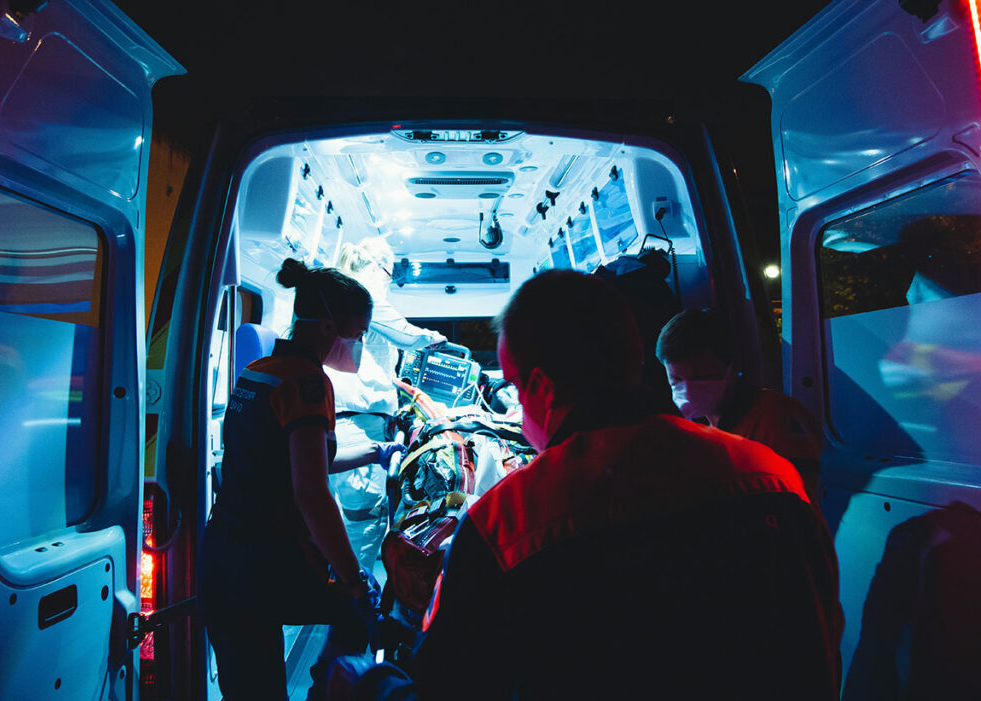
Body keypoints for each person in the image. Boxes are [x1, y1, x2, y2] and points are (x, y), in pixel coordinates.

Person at [331, 269, 843, 700]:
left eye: (511, 384)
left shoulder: (504, 521)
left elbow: (448, 685)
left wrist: (371, 682)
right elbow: (821, 642)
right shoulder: (772, 474)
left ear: (540, 390)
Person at [197, 259, 404, 701]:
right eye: (360, 332)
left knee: (249, 689)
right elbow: (310, 492)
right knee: (359, 605)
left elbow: (292, 461)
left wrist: (373, 452)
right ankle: (328, 690)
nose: (361, 343)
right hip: (263, 563)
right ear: (329, 325)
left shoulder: (260, 371)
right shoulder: (309, 383)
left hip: (222, 554)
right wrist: (352, 578)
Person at [326, 237, 447, 570]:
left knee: (342, 522)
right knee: (365, 525)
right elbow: (407, 335)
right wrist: (436, 339)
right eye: (390, 274)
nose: (390, 282)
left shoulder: (342, 295)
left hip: (343, 420)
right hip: (359, 424)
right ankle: (357, 601)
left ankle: (343, 598)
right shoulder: (365, 296)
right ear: (379, 268)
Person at [655, 307, 824, 504]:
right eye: (676, 379)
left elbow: (799, 508)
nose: (688, 391)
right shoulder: (698, 427)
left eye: (701, 378)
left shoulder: (776, 419)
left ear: (731, 368)